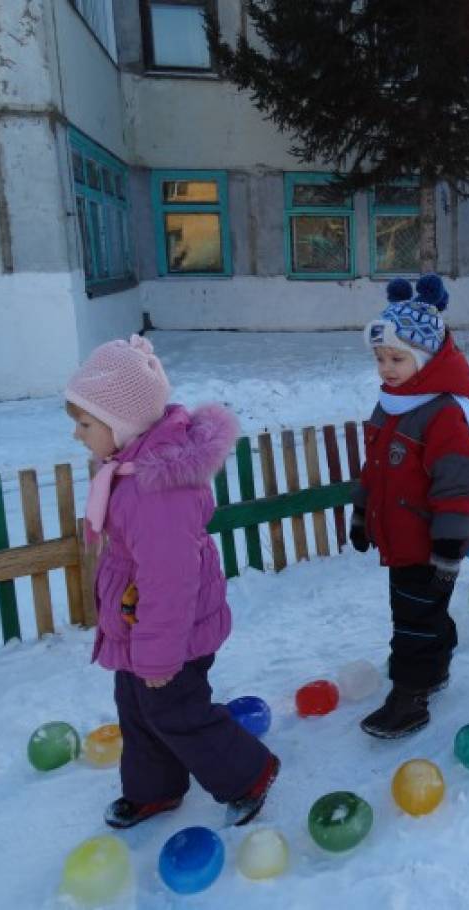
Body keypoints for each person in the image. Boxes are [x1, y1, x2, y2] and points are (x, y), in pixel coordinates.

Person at [65, 335, 278, 829]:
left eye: (85, 423)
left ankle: (249, 772)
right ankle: (154, 789)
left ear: (122, 424)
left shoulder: (153, 492)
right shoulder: (129, 469)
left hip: (172, 630)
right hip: (140, 622)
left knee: (175, 709)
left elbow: (170, 580)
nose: (78, 435)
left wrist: (158, 654)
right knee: (138, 708)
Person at [352, 274, 469, 737]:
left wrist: (448, 546)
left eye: (396, 358)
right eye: (380, 358)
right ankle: (435, 660)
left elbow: (457, 484)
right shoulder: (391, 404)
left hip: (430, 540)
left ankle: (410, 697)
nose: (386, 368)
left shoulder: (444, 413)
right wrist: (359, 511)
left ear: (425, 359)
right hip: (399, 536)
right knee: (418, 611)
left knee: (411, 619)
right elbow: (373, 468)